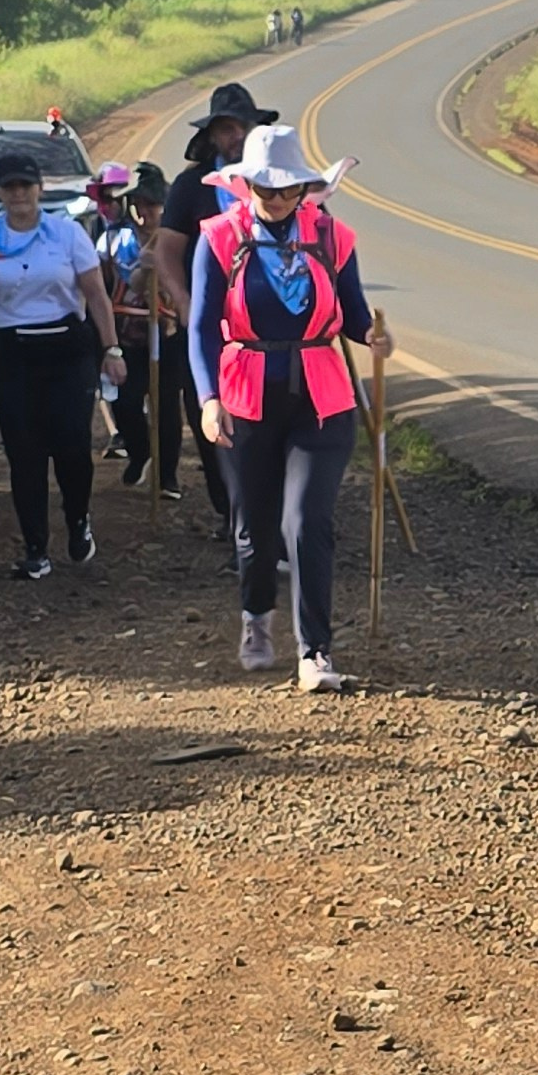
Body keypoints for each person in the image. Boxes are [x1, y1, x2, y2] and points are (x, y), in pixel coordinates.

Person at [186, 124, 387, 691]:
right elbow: (202, 328)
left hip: (321, 397)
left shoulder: (332, 237)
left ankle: (315, 652)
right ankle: (256, 617)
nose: (274, 199)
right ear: (245, 184)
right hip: (245, 395)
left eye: (286, 188)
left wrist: (372, 336)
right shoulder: (220, 238)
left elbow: (352, 314)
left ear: (304, 188)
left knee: (308, 521)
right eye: (263, 187)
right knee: (254, 528)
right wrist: (207, 399)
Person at [0, 147, 127, 577]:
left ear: (38, 189)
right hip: (11, 354)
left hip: (66, 348)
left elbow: (96, 295)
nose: (18, 194)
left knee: (71, 447)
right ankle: (35, 549)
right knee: (24, 453)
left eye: (25, 186)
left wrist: (112, 349)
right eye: (9, 187)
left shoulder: (66, 235)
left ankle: (78, 521)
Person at [158, 80, 277, 547]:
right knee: (212, 421)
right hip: (210, 326)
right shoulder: (192, 187)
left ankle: (265, 523)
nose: (234, 137)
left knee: (272, 421)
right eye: (225, 129)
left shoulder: (275, 180)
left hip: (269, 327)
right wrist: (184, 301)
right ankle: (234, 518)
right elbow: (168, 251)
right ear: (211, 136)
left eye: (240, 127)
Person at [107, 165, 183, 499]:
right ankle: (139, 454)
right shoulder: (117, 240)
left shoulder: (178, 240)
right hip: (130, 335)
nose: (144, 212)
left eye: (152, 205)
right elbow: (124, 279)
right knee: (125, 402)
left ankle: (167, 476)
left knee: (166, 406)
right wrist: (143, 268)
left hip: (168, 334)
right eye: (138, 204)